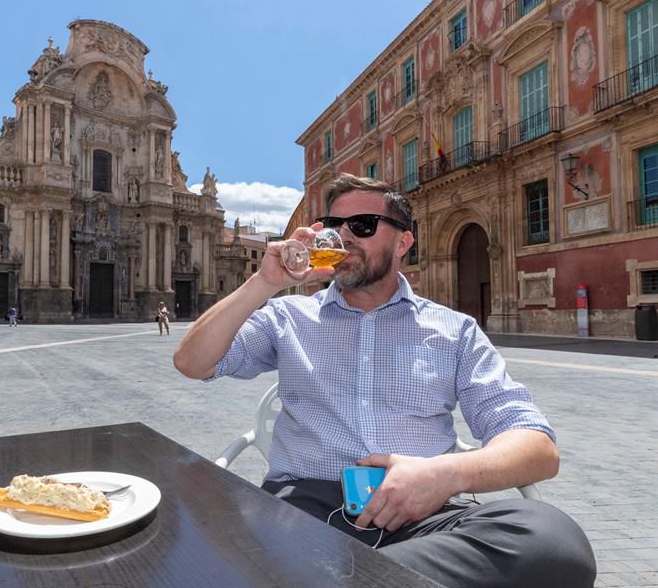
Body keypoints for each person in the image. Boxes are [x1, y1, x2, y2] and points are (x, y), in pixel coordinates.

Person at [173, 174, 596, 588]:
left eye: (362, 225)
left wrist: (442, 475)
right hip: (302, 511)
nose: (343, 236)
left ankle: (339, 576)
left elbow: (537, 449)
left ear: (403, 242)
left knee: (555, 542)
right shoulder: (288, 318)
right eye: (334, 225)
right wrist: (264, 283)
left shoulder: (455, 331)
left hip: (422, 517)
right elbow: (192, 362)